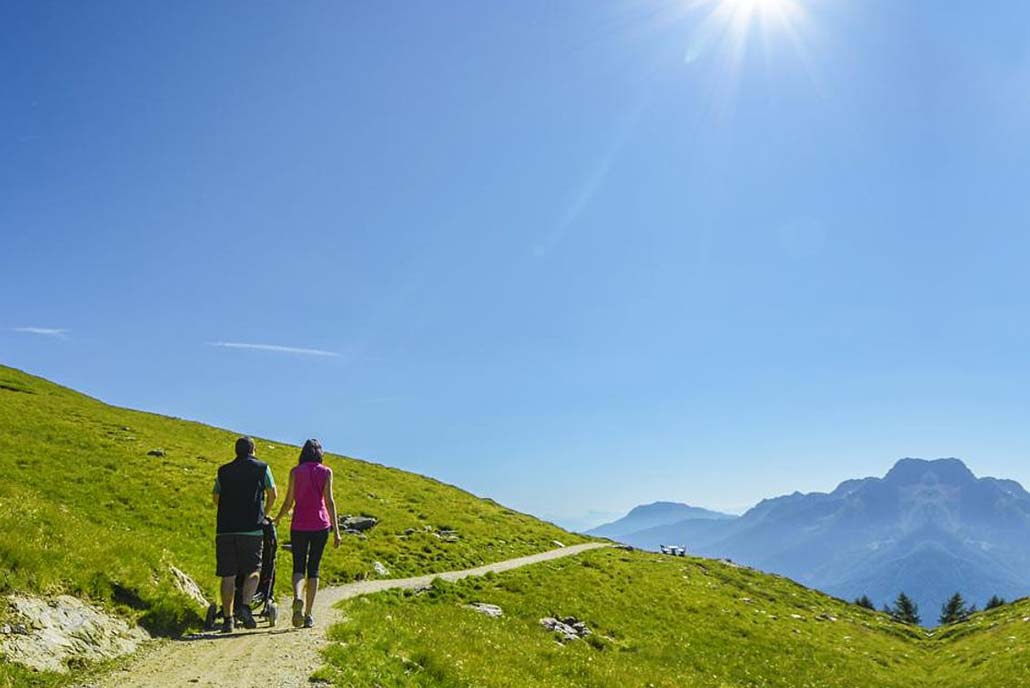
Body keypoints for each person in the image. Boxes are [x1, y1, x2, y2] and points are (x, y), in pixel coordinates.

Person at [273, 439, 341, 628]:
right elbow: (329, 502)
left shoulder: (295, 472)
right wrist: (337, 531)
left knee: (298, 566)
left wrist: (278, 519)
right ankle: (309, 614)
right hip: (320, 524)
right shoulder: (326, 472)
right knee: (314, 568)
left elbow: (288, 502)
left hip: (299, 524)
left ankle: (297, 598)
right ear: (320, 453)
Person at [212, 436, 277, 633]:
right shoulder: (262, 468)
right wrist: (264, 514)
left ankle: (228, 619)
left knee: (228, 575)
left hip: (226, 528)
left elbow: (216, 497)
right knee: (253, 570)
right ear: (253, 450)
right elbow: (273, 493)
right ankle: (245, 607)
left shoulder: (223, 471)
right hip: (252, 528)